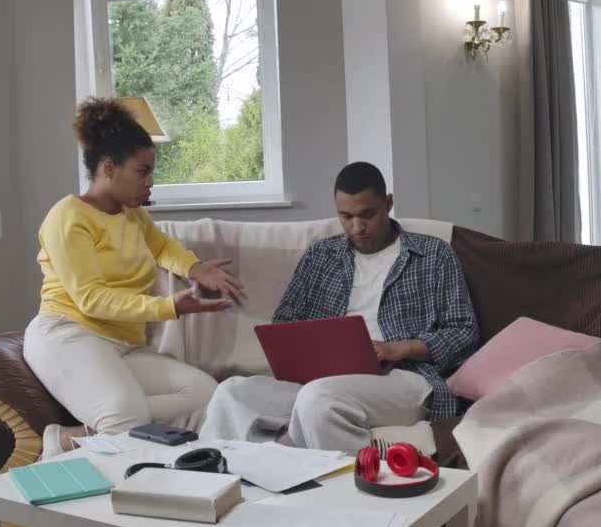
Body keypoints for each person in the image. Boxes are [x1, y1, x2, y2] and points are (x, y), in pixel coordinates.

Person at [200, 162, 478, 455]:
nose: (357, 227)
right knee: (231, 393)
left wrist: (399, 348)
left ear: (388, 204)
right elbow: (285, 321)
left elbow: (463, 332)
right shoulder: (321, 255)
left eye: (368, 215)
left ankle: (351, 489)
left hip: (404, 377)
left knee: (318, 399)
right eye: (346, 216)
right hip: (321, 379)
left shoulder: (433, 254)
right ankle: (220, 486)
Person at [24, 97, 245, 456]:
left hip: (122, 345)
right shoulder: (67, 217)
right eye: (142, 172)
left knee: (204, 393)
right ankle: (91, 464)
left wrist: (195, 268)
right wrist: (168, 306)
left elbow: (160, 247)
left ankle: (68, 438)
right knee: (127, 418)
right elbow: (91, 299)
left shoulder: (132, 215)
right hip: (68, 332)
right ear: (109, 168)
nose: (150, 183)